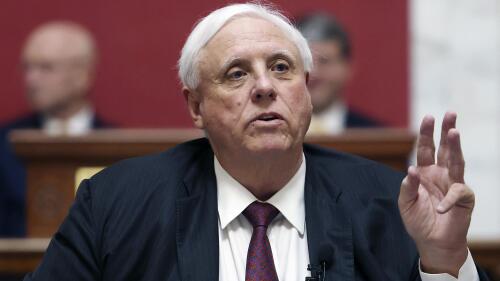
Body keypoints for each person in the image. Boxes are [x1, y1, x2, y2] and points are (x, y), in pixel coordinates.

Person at [25, 3, 489, 281]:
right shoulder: (115, 203)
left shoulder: (386, 204)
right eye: (236, 73)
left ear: (306, 90)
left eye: (282, 68)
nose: (265, 87)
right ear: (195, 106)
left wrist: (445, 261)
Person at [0, 21, 108, 237]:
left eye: (46, 67)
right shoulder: (6, 143)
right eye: (27, 68)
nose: (31, 79)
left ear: (82, 75)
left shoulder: (117, 147)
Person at [296, 13, 379, 134]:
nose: (314, 72)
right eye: (306, 61)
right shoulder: (272, 135)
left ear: (347, 67)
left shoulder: (376, 138)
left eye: (325, 61)